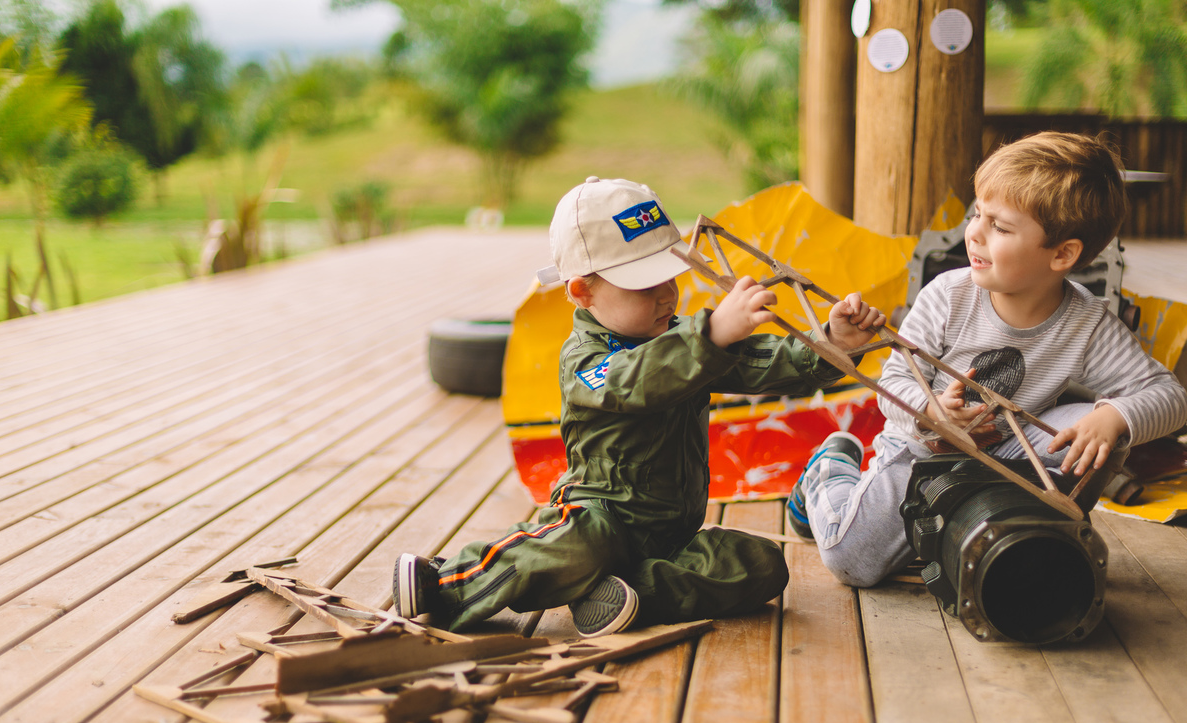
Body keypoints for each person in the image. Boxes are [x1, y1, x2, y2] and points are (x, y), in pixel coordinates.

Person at [394, 176, 886, 637]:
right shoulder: (585, 361)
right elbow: (637, 379)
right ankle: (445, 585)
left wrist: (833, 342)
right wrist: (711, 335)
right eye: (642, 285)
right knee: (578, 545)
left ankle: (626, 595)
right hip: (599, 515)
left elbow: (764, 363)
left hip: (670, 535)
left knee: (762, 567)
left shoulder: (682, 339)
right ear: (582, 291)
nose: (665, 296)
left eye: (669, 278)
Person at [788, 131, 1187, 587]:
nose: (973, 233)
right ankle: (830, 467)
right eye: (978, 213)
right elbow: (894, 378)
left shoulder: (1086, 323)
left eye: (999, 226)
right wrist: (930, 414)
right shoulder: (948, 297)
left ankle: (1051, 527)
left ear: (1063, 254)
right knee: (852, 562)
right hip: (922, 450)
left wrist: (1115, 415)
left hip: (1012, 449)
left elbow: (1171, 396)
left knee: (1104, 433)